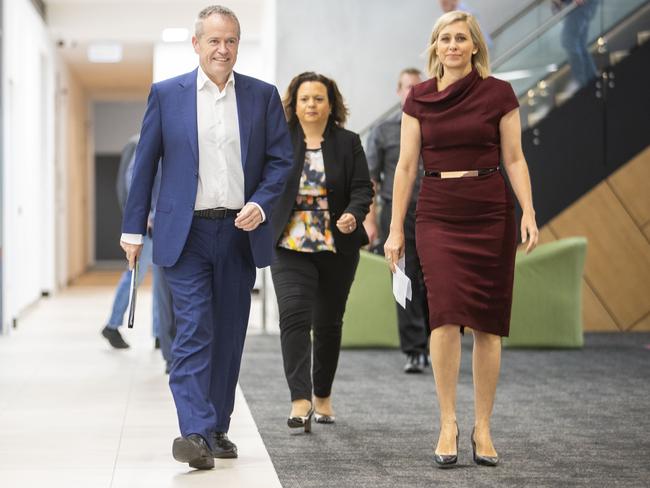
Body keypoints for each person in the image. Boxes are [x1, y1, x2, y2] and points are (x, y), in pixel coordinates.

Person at [120, 5, 293, 470]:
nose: (223, 49)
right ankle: (194, 431)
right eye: (214, 40)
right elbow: (145, 167)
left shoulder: (262, 96)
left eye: (231, 40)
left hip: (239, 229)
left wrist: (260, 202)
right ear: (196, 44)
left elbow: (281, 160)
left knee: (229, 332)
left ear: (239, 45)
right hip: (186, 232)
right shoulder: (167, 94)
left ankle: (217, 426)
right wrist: (133, 228)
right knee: (194, 328)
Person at [384, 11, 538, 467]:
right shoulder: (418, 98)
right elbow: (406, 167)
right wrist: (395, 229)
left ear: (474, 46)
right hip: (437, 214)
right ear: (435, 47)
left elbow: (514, 158)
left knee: (489, 324)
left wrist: (528, 210)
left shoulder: (499, 93)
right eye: (444, 38)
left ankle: (483, 426)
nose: (452, 45)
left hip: (490, 211)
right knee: (444, 318)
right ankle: (448, 421)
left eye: (461, 38)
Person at [271, 72, 373, 432]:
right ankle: (300, 399)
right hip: (289, 245)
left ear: (331, 105)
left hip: (336, 248)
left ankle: (322, 395)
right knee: (294, 316)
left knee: (328, 324)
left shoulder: (348, 142)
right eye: (304, 99)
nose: (311, 105)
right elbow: (264, 184)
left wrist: (352, 214)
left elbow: (363, 189)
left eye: (318, 98)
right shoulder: (279, 140)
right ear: (293, 104)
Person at [364, 68, 430, 374]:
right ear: (398, 91)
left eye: (418, 86)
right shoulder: (384, 130)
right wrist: (371, 220)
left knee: (434, 278)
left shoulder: (438, 126)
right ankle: (415, 349)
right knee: (404, 278)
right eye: (407, 87)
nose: (412, 92)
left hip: (435, 210)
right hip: (397, 213)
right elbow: (370, 180)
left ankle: (436, 341)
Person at [554, 0, 600, 89]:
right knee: (579, 44)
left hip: (580, 5)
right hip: (577, 5)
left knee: (569, 41)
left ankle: (581, 82)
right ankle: (591, 81)